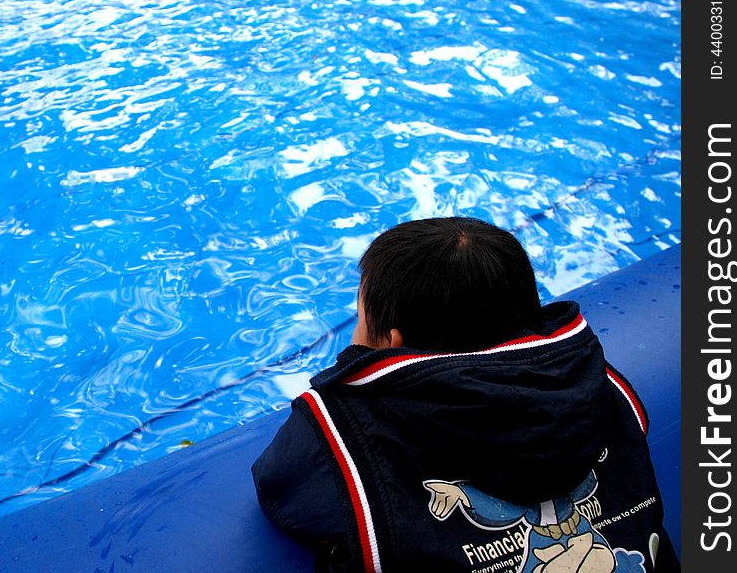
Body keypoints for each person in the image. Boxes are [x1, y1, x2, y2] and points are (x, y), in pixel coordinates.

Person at [251, 217, 679, 573]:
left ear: (393, 341)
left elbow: (282, 491)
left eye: (361, 318)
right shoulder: (603, 386)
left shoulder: (343, 429)